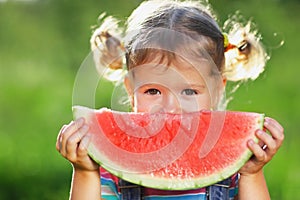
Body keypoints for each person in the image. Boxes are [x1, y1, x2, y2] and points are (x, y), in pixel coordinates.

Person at [56, 0, 284, 199]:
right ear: (130, 90)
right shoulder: (110, 171)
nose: (171, 108)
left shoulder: (235, 168)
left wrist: (252, 175)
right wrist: (85, 172)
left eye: (189, 92)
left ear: (217, 90)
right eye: (153, 91)